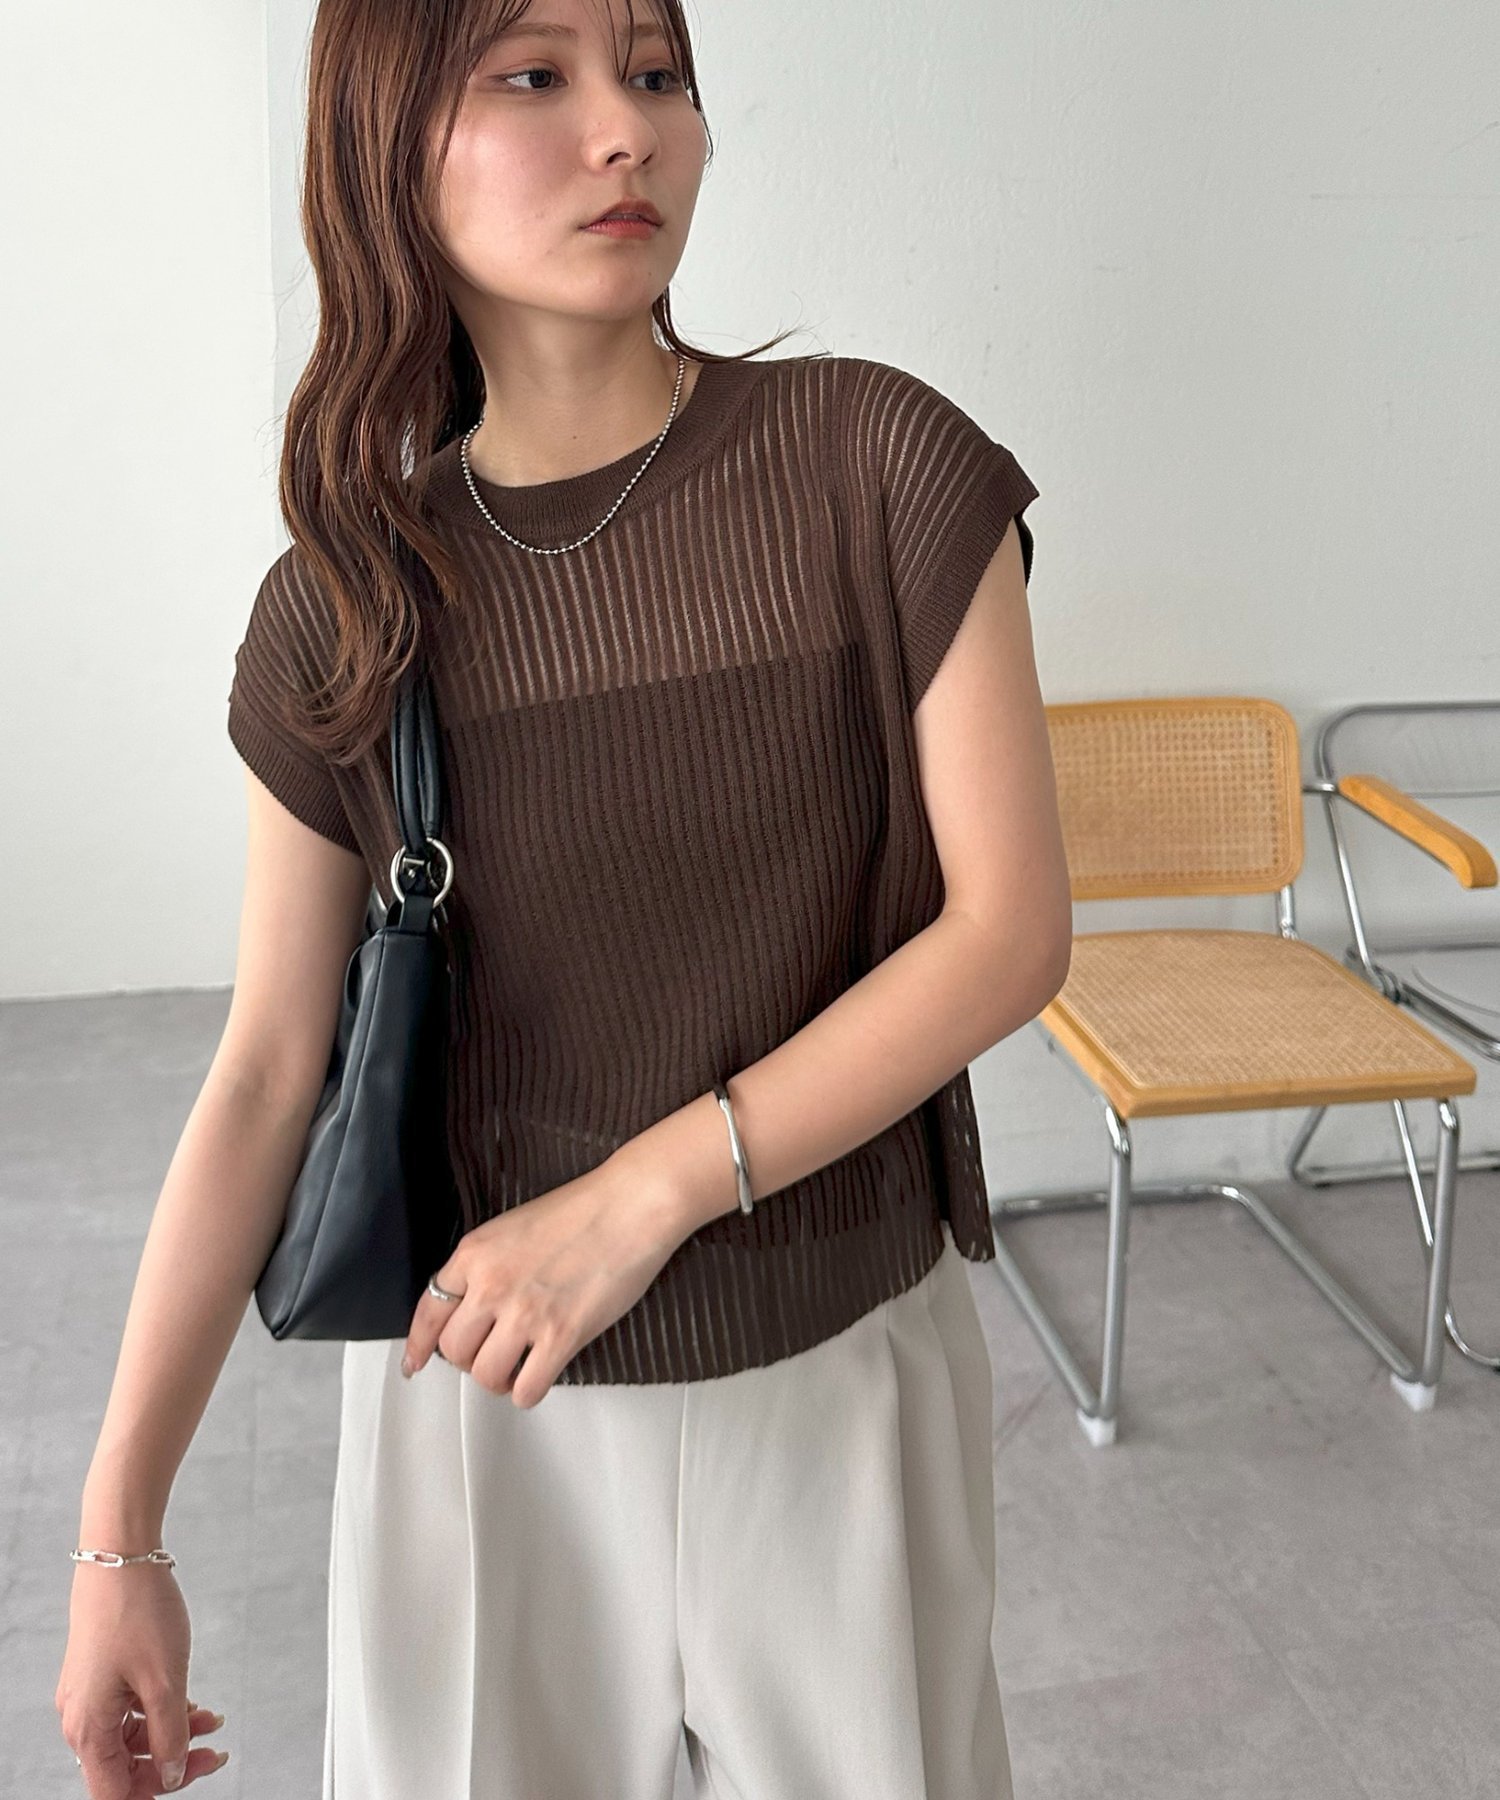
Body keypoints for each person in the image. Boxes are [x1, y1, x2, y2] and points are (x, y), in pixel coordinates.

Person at [55, 0, 1071, 1794]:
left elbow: (1006, 934)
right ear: (388, 147)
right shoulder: (345, 606)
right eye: (536, 76)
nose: (627, 129)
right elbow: (269, 1070)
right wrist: (117, 1532)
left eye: (656, 72)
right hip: (478, 1419)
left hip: (835, 1373)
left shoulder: (875, 465)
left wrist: (644, 1196)